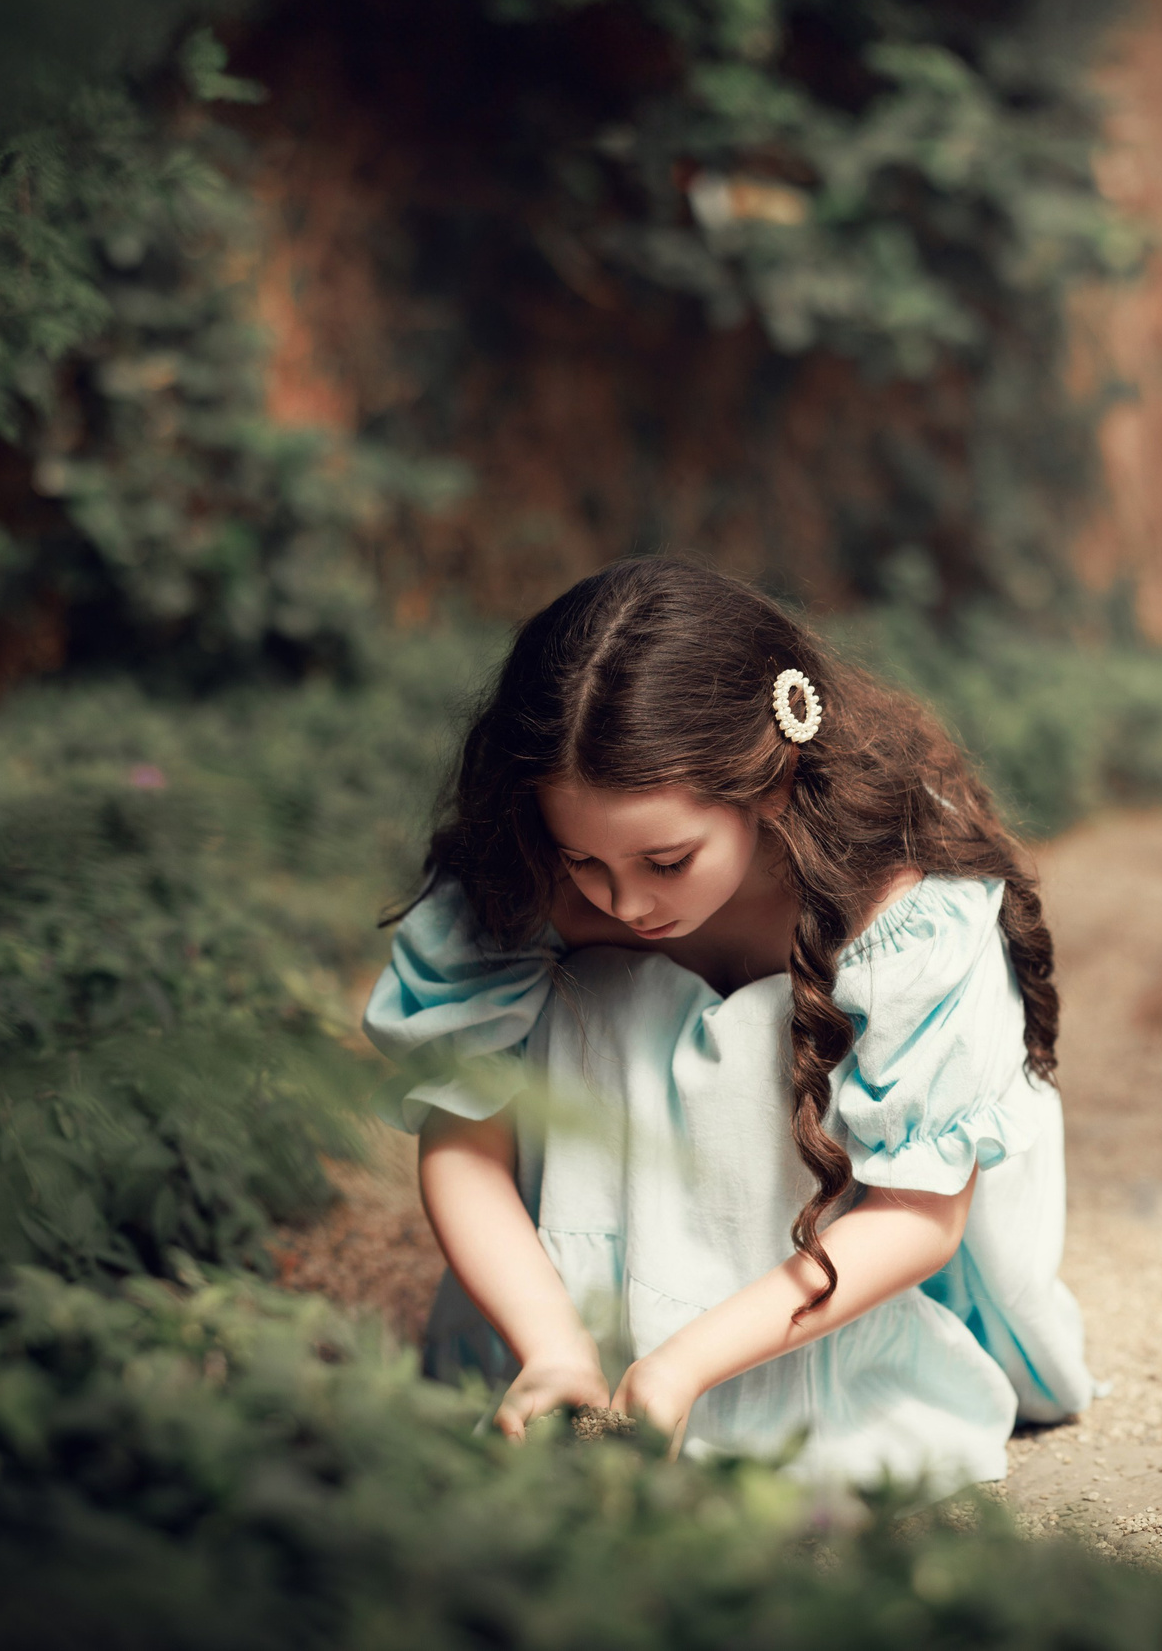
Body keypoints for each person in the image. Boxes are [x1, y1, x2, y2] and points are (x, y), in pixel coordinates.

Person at [362, 556, 1096, 1490]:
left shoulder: (905, 905)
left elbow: (917, 1215)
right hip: (558, 1306)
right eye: (582, 858)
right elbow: (464, 1145)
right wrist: (551, 1350)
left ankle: (768, 1387)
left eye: (667, 860)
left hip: (837, 1273)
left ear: (774, 781)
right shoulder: (517, 891)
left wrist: (682, 1365)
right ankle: (575, 1350)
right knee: (599, 979)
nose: (627, 903)